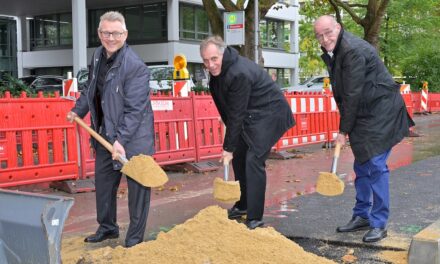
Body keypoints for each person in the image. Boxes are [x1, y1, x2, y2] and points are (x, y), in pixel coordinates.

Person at [314, 15, 414, 242]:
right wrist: (347, 127)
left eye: (328, 32)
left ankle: (379, 223)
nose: (325, 38)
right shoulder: (337, 50)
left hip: (381, 112)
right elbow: (347, 94)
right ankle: (362, 216)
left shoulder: (351, 51)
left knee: (376, 166)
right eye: (319, 35)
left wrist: (342, 132)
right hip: (364, 113)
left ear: (338, 28)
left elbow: (351, 94)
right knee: (361, 164)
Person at [66, 11, 154, 248]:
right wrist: (78, 110)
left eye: (116, 33)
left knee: (138, 190)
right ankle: (107, 228)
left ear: (125, 34)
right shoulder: (97, 56)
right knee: (104, 184)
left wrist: (122, 140)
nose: (111, 38)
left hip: (133, 139)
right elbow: (90, 89)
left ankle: (134, 239)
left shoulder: (135, 67)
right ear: (99, 33)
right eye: (106, 32)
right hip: (105, 134)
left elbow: (134, 110)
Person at [199, 36, 295, 229]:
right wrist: (232, 147)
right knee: (239, 156)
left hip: (270, 114)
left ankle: (255, 217)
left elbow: (237, 113)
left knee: (253, 160)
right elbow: (227, 109)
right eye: (206, 60)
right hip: (252, 115)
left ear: (223, 53)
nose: (211, 64)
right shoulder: (218, 73)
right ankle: (243, 205)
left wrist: (228, 147)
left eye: (214, 59)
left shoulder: (238, 72)